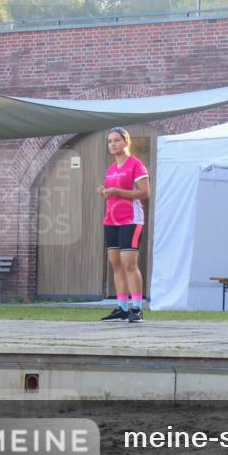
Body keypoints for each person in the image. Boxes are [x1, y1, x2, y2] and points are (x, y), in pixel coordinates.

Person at [98, 127, 150, 323]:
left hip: (131, 219)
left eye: (117, 140)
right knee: (116, 264)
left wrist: (117, 191)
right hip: (111, 219)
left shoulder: (136, 164)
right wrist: (105, 192)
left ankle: (137, 308)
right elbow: (113, 192)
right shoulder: (110, 169)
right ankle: (122, 307)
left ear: (126, 142)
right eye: (110, 141)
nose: (113, 144)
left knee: (129, 263)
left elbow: (145, 193)